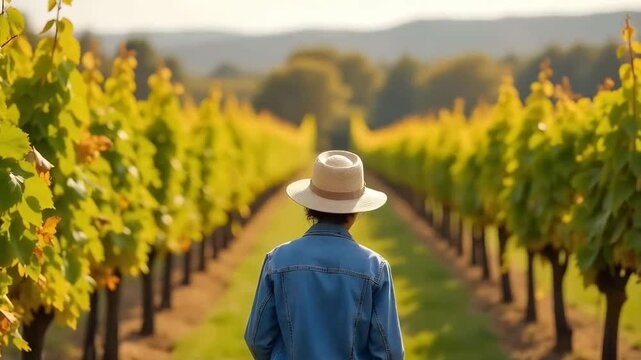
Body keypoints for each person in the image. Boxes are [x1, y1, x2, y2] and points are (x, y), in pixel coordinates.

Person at [244, 150, 404, 360]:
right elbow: (389, 351)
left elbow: (257, 339)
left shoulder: (278, 260)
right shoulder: (375, 268)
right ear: (355, 210)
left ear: (311, 206)